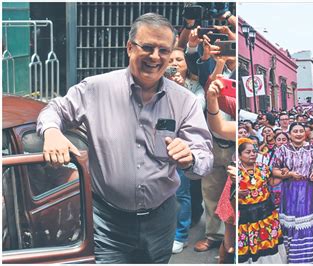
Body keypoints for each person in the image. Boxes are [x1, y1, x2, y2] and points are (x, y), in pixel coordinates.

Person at [36, 13, 213, 264]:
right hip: (108, 221)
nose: (155, 57)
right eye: (148, 47)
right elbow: (54, 110)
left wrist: (191, 157)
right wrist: (51, 132)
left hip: (161, 219)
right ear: (130, 47)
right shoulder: (96, 89)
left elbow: (205, 159)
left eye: (164, 50)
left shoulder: (184, 101)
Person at [272, 122, 313, 264]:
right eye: (295, 131)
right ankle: (295, 258)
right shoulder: (282, 150)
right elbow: (274, 170)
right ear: (289, 134)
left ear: (305, 133)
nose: (298, 134)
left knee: (311, 222)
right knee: (294, 223)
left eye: (301, 131)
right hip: (291, 191)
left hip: (310, 190)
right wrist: (289, 174)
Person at [167, 47, 207, 254]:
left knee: (181, 193)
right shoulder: (156, 85)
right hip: (157, 147)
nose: (174, 63)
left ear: (186, 64)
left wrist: (182, 90)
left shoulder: (195, 87)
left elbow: (197, 110)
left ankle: (180, 235)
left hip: (182, 148)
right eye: (171, 59)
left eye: (179, 60)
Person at [237, 138, 286, 263]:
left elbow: (272, 182)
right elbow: (228, 196)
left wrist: (284, 175)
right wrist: (237, 194)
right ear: (239, 155)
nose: (252, 154)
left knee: (267, 242)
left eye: (254, 151)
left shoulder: (263, 168)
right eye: (248, 152)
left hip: (266, 213)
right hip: (247, 216)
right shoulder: (235, 172)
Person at [206, 76, 237, 263]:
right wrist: (211, 98)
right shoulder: (236, 127)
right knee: (230, 230)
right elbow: (218, 126)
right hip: (233, 186)